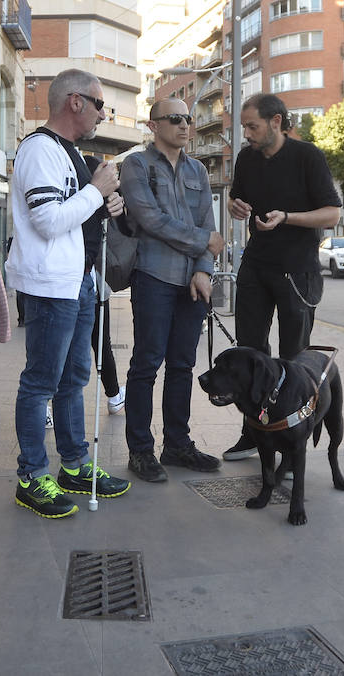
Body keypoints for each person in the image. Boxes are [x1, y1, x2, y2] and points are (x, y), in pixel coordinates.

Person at [6, 69, 132, 519]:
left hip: (78, 281)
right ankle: (31, 476)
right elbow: (47, 220)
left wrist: (106, 202)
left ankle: (74, 465)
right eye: (100, 104)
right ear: (75, 102)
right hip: (50, 285)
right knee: (41, 380)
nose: (103, 114)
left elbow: (77, 214)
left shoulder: (71, 153)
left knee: (74, 377)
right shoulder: (40, 149)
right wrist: (96, 192)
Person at [222, 93, 341, 466]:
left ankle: (293, 447)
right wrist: (235, 206)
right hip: (256, 266)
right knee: (249, 353)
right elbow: (236, 200)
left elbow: (332, 214)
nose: (247, 134)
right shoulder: (247, 158)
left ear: (276, 122)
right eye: (244, 127)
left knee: (294, 359)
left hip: (297, 270)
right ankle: (251, 433)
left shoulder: (308, 156)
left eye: (253, 126)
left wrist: (287, 217)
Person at [119, 98, 225, 482]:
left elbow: (208, 223)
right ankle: (140, 450)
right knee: (146, 364)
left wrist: (203, 270)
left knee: (182, 365)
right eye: (175, 118)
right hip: (153, 276)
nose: (185, 125)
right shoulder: (136, 165)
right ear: (153, 125)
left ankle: (177, 445)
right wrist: (204, 242)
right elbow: (151, 220)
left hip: (192, 282)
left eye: (188, 119)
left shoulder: (198, 169)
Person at [84, 154, 124, 415]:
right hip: (93, 283)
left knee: (61, 348)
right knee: (100, 342)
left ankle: (45, 404)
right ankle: (114, 395)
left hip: (85, 282)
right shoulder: (99, 203)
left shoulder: (88, 201)